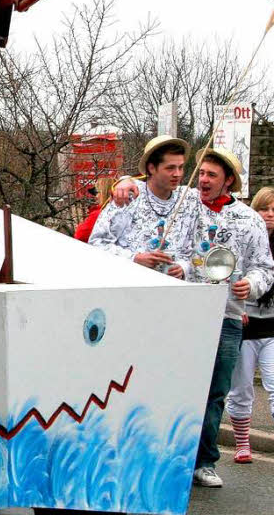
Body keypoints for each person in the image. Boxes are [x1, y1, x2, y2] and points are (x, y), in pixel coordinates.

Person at [114, 147, 274, 488]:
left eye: (211, 175)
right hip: (176, 310)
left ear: (228, 180)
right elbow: (149, 184)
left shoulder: (249, 219)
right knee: (168, 383)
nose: (201, 179)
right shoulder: (183, 202)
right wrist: (125, 181)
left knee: (215, 390)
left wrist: (252, 284)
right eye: (199, 173)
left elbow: (264, 268)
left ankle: (204, 462)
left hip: (225, 314)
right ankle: (160, 456)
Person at [88, 135, 191, 276]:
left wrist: (183, 268)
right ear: (152, 168)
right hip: (132, 290)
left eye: (180, 167)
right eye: (170, 168)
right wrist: (135, 259)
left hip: (175, 292)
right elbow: (97, 244)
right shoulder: (128, 196)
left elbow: (193, 249)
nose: (177, 174)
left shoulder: (188, 199)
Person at [226, 186, 274, 464]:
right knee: (241, 387)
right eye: (263, 209)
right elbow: (225, 272)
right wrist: (236, 306)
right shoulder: (243, 239)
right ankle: (243, 444)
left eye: (273, 210)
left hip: (272, 328)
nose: (269, 215)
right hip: (244, 327)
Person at [73, 177, 115, 242]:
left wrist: (81, 226)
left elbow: (80, 236)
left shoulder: (99, 214)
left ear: (105, 193)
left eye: (97, 192)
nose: (96, 196)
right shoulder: (124, 211)